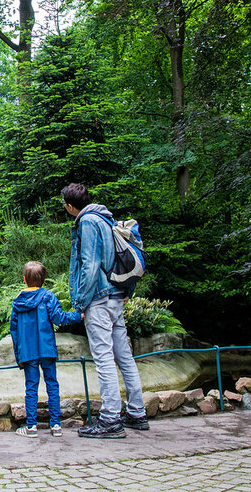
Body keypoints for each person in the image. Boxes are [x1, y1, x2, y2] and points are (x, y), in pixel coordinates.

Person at [62, 182, 149, 438]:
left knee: (104, 359)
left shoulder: (87, 222)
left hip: (99, 299)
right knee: (124, 357)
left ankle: (110, 419)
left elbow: (90, 264)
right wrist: (126, 293)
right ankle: (137, 413)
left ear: (69, 205)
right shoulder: (106, 218)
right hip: (115, 296)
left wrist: (80, 302)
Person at [10, 260, 82, 438]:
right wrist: (78, 316)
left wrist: (18, 354)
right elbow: (59, 317)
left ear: (24, 280)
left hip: (28, 351)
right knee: (52, 385)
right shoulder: (48, 296)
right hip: (47, 347)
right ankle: (56, 425)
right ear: (43, 280)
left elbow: (14, 331)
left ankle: (31, 427)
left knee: (31, 387)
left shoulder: (18, 302)